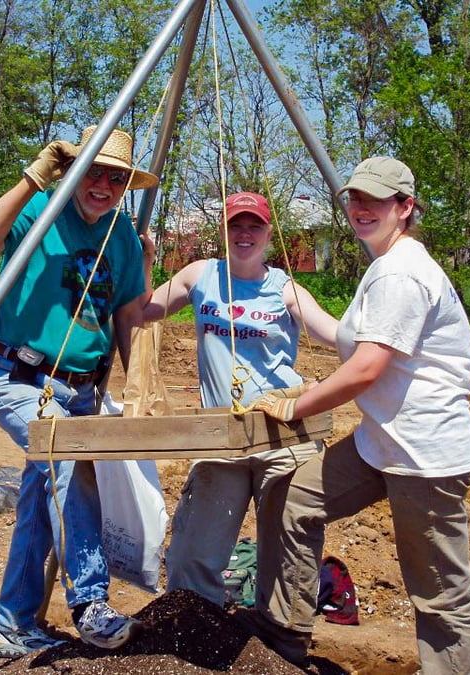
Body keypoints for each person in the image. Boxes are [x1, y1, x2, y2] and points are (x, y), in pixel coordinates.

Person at [249, 157, 470, 673]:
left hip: (424, 458)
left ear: (405, 207)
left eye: (374, 201)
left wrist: (296, 405)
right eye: (355, 199)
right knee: (295, 496)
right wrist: (301, 317)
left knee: (437, 589)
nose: (360, 209)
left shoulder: (402, 273)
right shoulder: (385, 265)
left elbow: (366, 369)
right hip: (381, 444)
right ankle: (284, 632)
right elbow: (359, 348)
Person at [0, 125, 158, 659]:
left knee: (41, 496)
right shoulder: (42, 210)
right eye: (93, 170)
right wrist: (33, 179)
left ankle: (13, 624)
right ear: (73, 171)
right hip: (16, 376)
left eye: (116, 177)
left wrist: (136, 386)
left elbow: (127, 314)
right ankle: (91, 600)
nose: (103, 184)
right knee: (64, 459)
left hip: (78, 392)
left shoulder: (120, 234)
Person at [140, 191, 338, 610]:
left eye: (254, 226)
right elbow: (144, 310)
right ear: (224, 230)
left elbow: (333, 334)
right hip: (221, 437)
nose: (244, 234)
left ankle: (281, 636)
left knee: (289, 549)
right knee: (194, 550)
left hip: (282, 434)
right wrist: (143, 261)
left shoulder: (285, 288)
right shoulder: (201, 276)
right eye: (236, 225)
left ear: (268, 233)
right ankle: (190, 627)